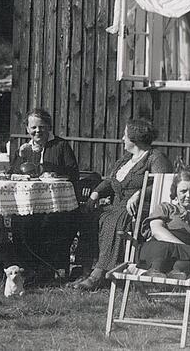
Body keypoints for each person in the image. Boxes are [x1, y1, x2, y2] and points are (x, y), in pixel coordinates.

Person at [73, 118, 173, 290]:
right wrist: (94, 195)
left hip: (142, 208)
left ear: (135, 138)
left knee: (115, 220)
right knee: (90, 216)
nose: (122, 139)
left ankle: (99, 274)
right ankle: (85, 269)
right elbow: (111, 181)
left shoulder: (155, 158)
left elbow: (163, 183)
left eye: (125, 135)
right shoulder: (125, 159)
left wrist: (140, 193)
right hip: (118, 205)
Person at [138, 170, 190, 279]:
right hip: (162, 246)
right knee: (163, 252)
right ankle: (155, 271)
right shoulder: (166, 208)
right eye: (183, 191)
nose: (188, 195)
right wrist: (182, 248)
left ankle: (176, 274)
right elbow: (157, 230)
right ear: (175, 192)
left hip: (188, 255)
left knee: (188, 259)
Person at [11, 108, 78, 181]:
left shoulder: (61, 145)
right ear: (27, 129)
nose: (38, 130)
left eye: (41, 127)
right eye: (33, 127)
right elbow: (13, 174)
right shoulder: (24, 149)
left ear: (49, 127)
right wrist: (20, 157)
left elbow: (74, 173)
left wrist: (56, 174)